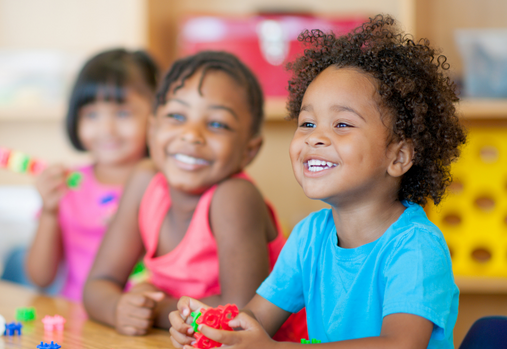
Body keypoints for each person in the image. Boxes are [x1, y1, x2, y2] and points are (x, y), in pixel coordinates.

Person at [169, 15, 467, 349]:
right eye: (307, 123)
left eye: (341, 124)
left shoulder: (415, 246)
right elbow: (254, 319)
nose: (315, 138)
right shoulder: (309, 236)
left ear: (398, 157)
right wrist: (212, 326)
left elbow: (400, 345)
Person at [83, 51, 306, 341]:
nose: (191, 135)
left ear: (248, 150)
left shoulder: (234, 197)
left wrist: (154, 309)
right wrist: (118, 307)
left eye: (217, 124)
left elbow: (239, 315)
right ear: (152, 130)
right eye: (176, 116)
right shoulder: (144, 182)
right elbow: (97, 285)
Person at [26, 48, 159, 302]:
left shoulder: (163, 187)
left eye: (122, 113)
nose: (106, 129)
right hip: (77, 322)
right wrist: (49, 211)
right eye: (92, 114)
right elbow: (40, 278)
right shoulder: (68, 185)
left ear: (154, 117)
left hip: (141, 321)